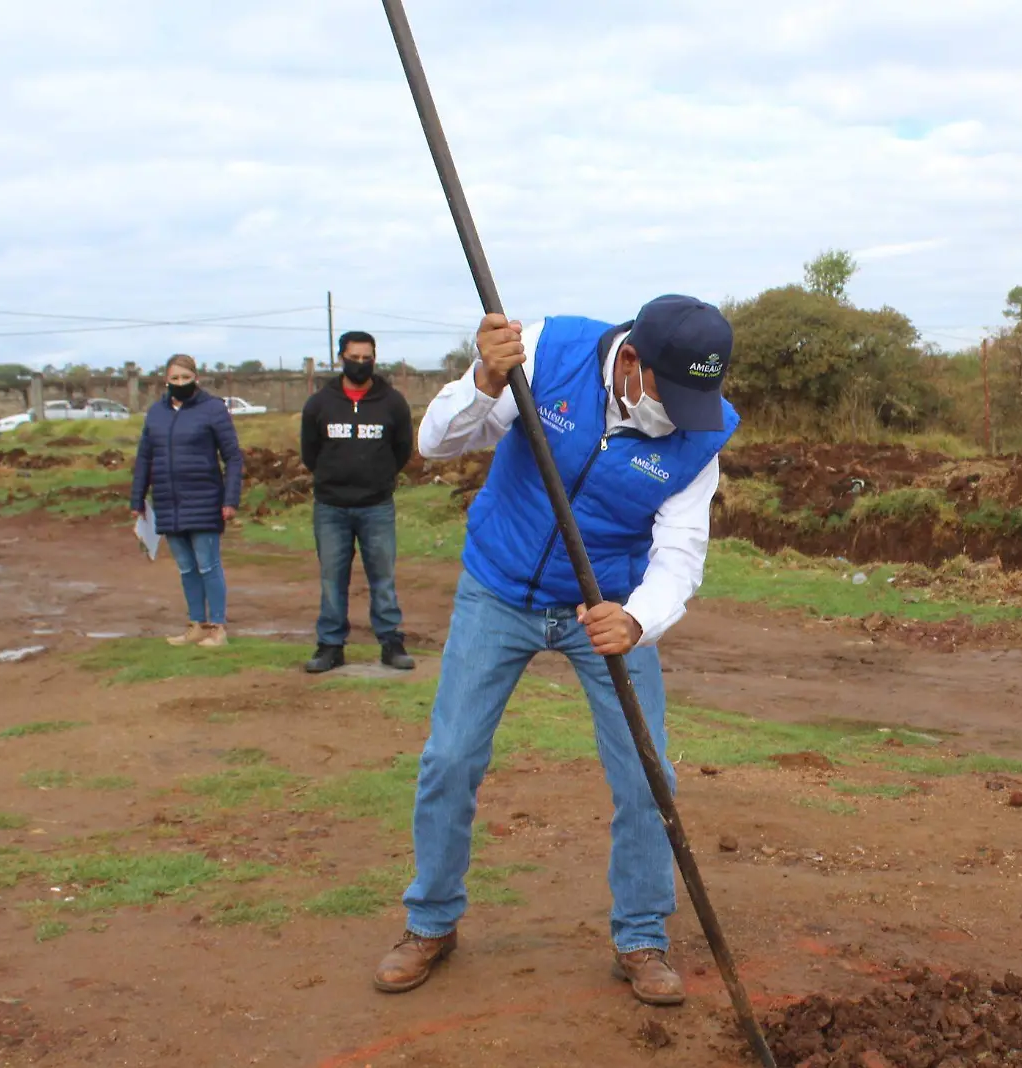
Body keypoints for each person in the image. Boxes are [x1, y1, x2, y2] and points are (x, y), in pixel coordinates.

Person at [374, 295, 737, 1008]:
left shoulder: (703, 433)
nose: (684, 417)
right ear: (631, 361)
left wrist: (637, 620)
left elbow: (681, 552)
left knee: (647, 774)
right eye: (675, 395)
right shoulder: (547, 351)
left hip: (607, 604)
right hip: (499, 587)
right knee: (450, 758)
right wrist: (483, 379)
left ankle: (640, 936)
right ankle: (431, 922)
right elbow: (437, 443)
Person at [299, 330, 418, 673]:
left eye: (367, 358)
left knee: (382, 576)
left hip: (376, 506)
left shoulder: (392, 402)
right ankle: (330, 646)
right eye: (354, 358)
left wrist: (379, 479)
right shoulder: (320, 403)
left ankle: (390, 643)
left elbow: (401, 449)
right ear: (341, 358)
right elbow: (310, 452)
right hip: (331, 507)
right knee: (332, 578)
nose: (361, 364)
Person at [129, 354, 244, 647]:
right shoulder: (156, 413)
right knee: (186, 568)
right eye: (174, 378)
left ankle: (218, 627)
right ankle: (196, 624)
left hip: (205, 499)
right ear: (166, 380)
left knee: (208, 565)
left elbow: (232, 456)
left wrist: (230, 499)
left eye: (185, 378)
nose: (180, 383)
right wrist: (137, 499)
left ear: (196, 378)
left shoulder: (213, 410)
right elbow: (145, 456)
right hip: (168, 501)